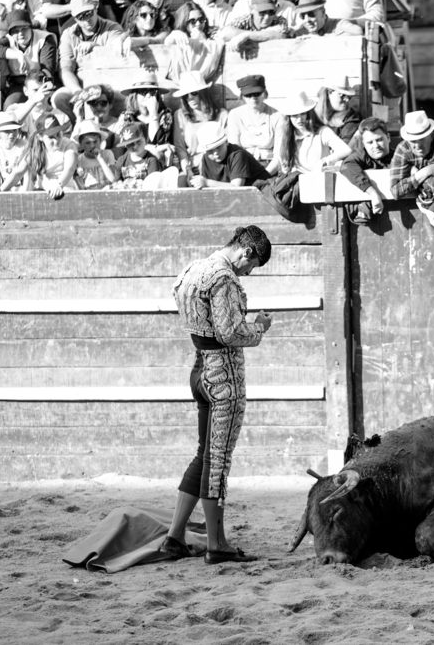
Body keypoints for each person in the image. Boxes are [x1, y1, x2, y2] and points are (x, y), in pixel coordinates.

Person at [161, 225, 273, 565]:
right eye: (252, 266)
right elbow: (229, 333)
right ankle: (217, 544)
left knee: (204, 455)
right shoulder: (224, 278)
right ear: (246, 252)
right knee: (217, 462)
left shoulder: (194, 268)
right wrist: (259, 327)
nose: (249, 272)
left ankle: (174, 537)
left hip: (199, 369)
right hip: (223, 377)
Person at [390, 109, 434, 229]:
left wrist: (413, 178)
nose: (417, 145)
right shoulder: (403, 148)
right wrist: (425, 172)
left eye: (421, 139)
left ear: (431, 135)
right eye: (413, 141)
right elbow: (395, 191)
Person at [57, 0, 129, 91]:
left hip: (109, 86)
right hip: (80, 85)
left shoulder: (113, 28)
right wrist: (77, 91)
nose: (86, 19)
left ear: (96, 8)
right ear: (75, 18)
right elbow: (66, 69)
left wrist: (95, 47)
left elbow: (114, 61)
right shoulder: (68, 34)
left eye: (88, 13)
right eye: (81, 17)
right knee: (59, 96)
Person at [339, 116, 392, 225]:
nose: (376, 146)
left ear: (388, 138)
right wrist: (372, 192)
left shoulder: (398, 156)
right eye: (370, 142)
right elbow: (347, 166)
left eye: (379, 140)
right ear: (363, 143)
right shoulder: (361, 155)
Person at [191, 120, 271, 189]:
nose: (215, 153)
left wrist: (207, 183)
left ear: (226, 142)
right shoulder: (206, 158)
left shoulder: (237, 155)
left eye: (218, 147)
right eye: (210, 150)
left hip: (265, 194)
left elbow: (236, 187)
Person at [226, 74, 282, 168]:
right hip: (243, 166)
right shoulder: (235, 114)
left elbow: (279, 154)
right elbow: (234, 148)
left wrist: (265, 174)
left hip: (270, 166)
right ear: (242, 96)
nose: (253, 98)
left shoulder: (277, 116)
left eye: (257, 94)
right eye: (248, 95)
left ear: (264, 93)